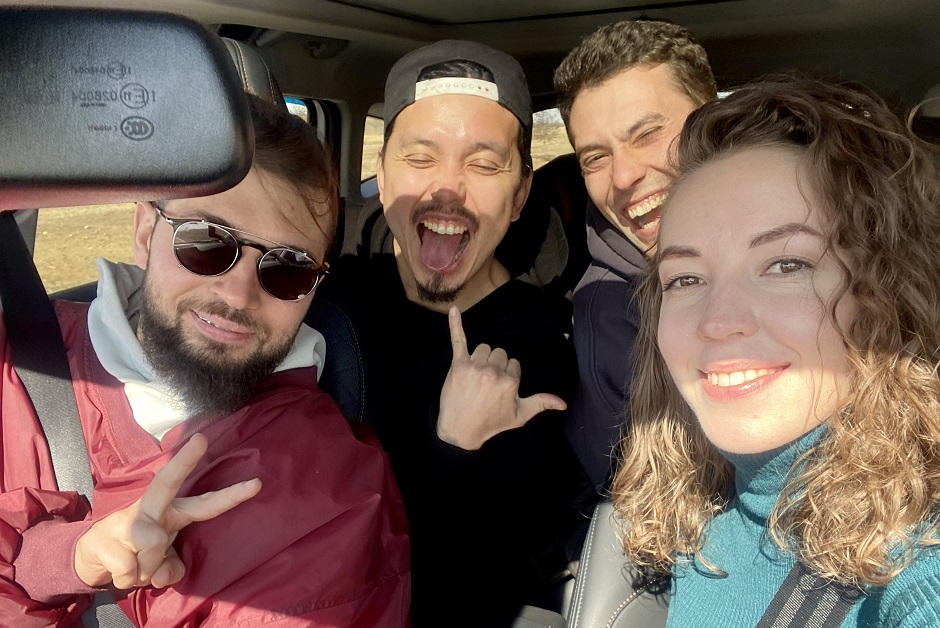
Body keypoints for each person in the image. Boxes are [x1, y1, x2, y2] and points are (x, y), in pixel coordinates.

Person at [0, 94, 410, 626]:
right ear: (146, 233)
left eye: (288, 267)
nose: (238, 295)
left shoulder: (331, 490)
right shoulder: (20, 358)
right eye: (207, 242)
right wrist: (67, 559)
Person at [612, 76, 940, 625]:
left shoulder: (918, 564)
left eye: (786, 264)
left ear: (885, 293)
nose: (719, 322)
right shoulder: (698, 510)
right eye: (686, 278)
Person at [323, 40, 596, 626]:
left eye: (484, 164)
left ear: (520, 195)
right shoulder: (324, 300)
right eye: (421, 158)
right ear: (381, 176)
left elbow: (474, 581)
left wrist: (454, 446)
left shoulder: (547, 347)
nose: (447, 189)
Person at [553, 19, 718, 489]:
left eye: (646, 135)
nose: (623, 176)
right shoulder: (609, 312)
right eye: (595, 158)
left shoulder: (822, 233)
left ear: (716, 120)